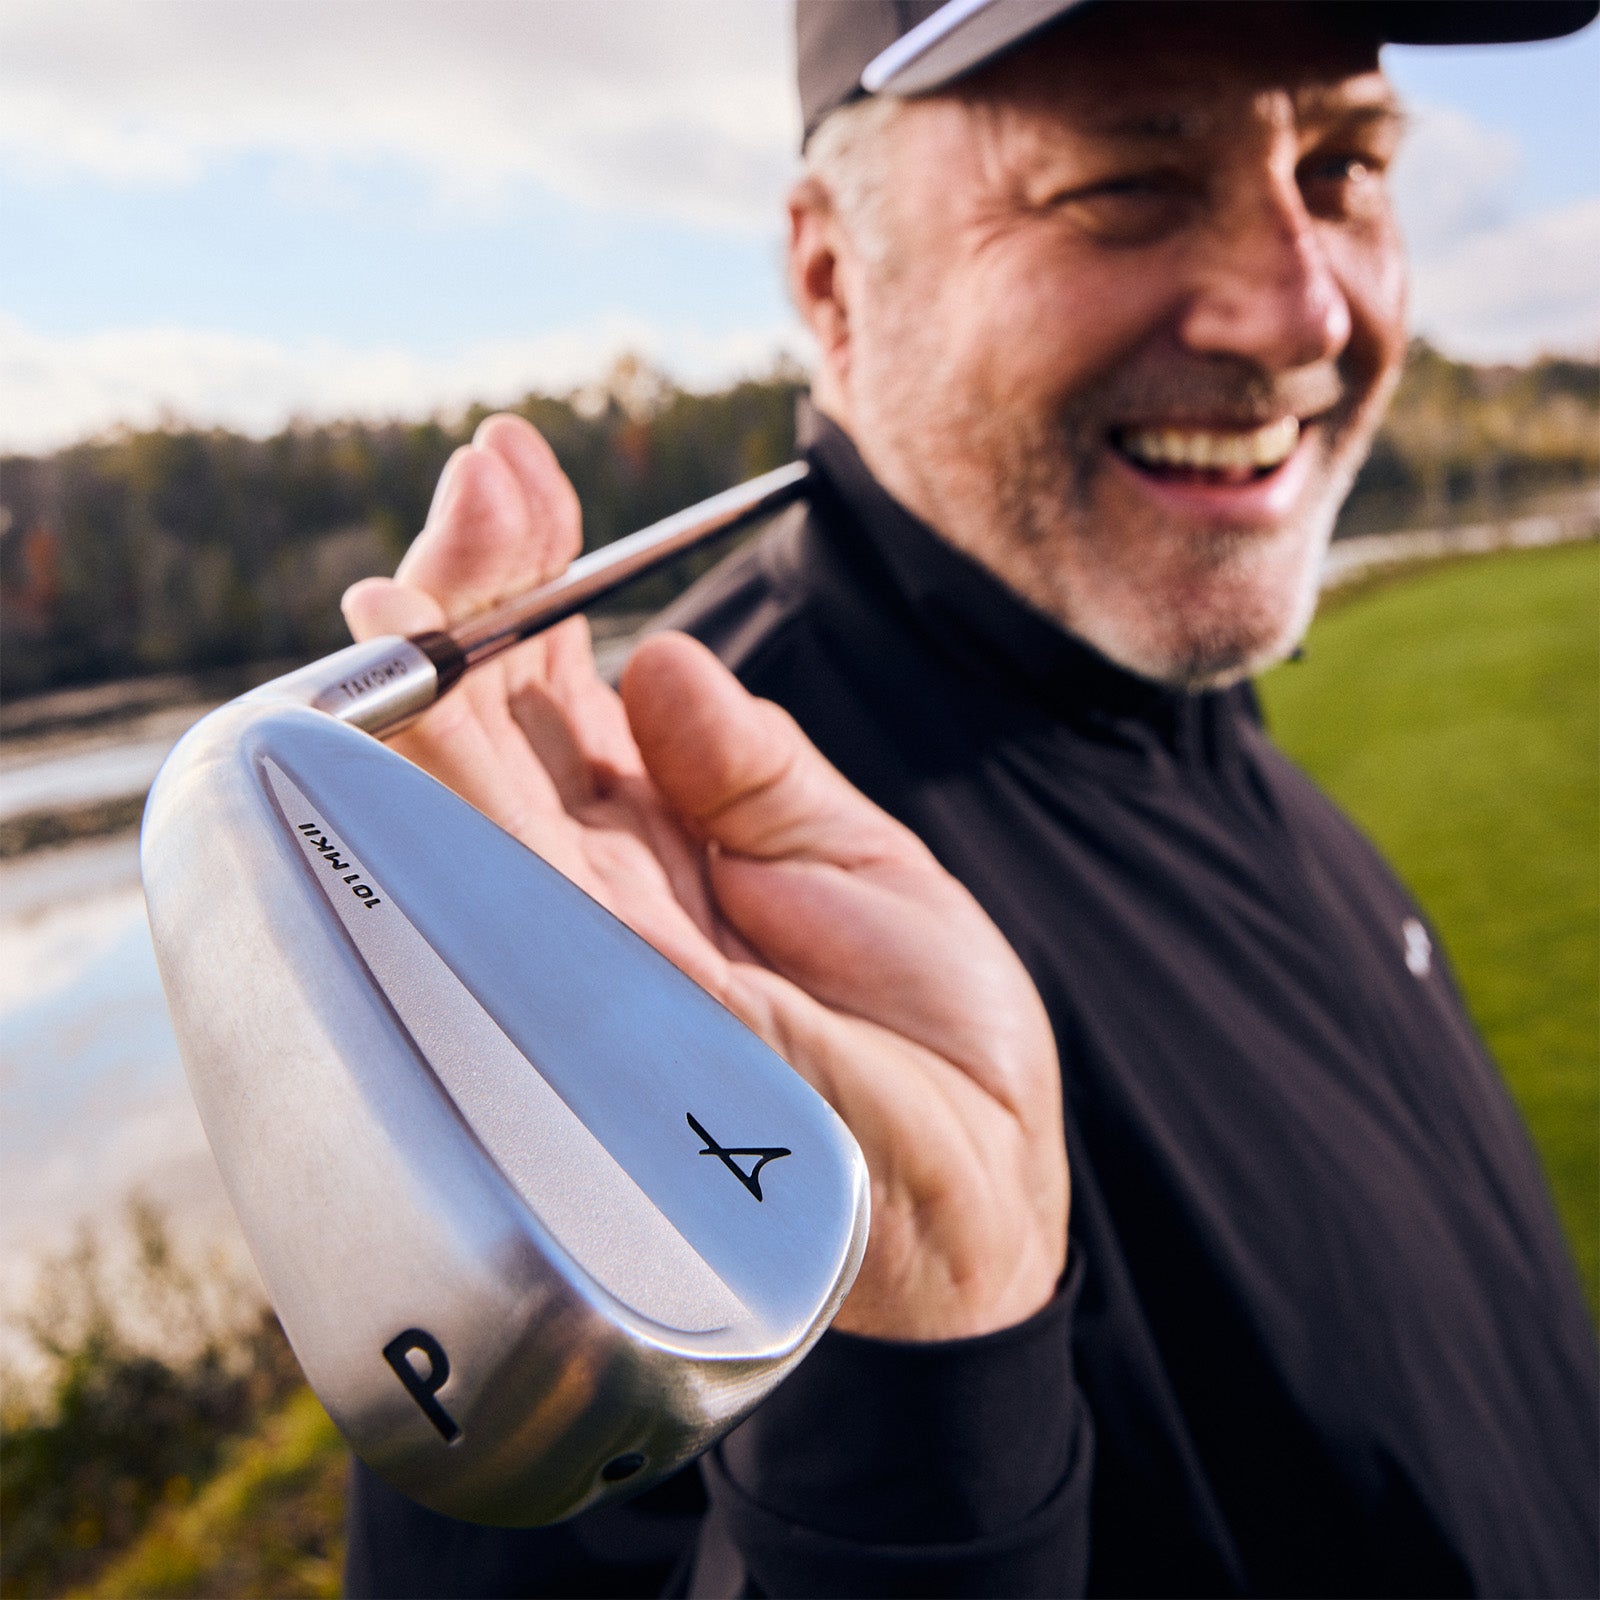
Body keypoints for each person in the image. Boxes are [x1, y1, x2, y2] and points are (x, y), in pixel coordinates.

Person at [341, 3, 1600, 1595]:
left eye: (1344, 166)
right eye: (1126, 186)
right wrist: (923, 1402)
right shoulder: (647, 909)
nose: (1299, 311)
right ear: (829, 278)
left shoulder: (1176, 710)